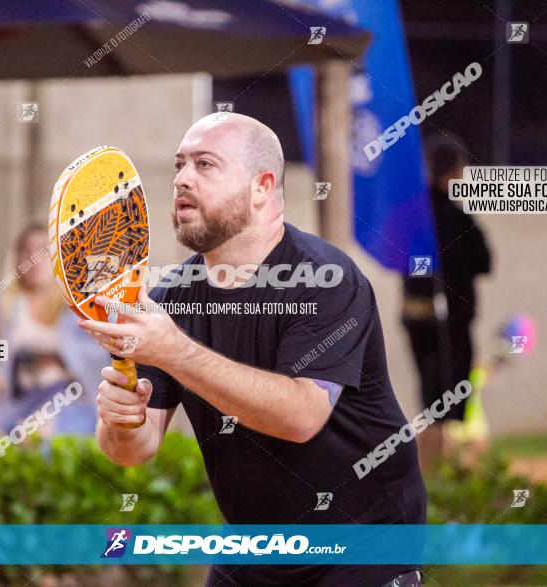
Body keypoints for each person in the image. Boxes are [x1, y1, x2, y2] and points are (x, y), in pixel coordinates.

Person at [79, 114, 426, 586]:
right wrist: (121, 420)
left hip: (362, 543)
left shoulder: (328, 280)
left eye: (205, 165)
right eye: (180, 165)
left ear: (262, 187)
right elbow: (132, 451)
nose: (182, 178)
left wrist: (175, 352)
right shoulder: (169, 300)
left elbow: (302, 416)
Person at [0, 223, 107, 456]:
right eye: (26, 251)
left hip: (69, 397)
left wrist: (59, 359)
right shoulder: (8, 306)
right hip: (20, 398)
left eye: (42, 251)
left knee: (33, 439)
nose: (33, 259)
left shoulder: (76, 305)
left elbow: (100, 358)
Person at [402, 134, 492, 471]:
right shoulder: (455, 218)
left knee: (430, 396)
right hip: (450, 321)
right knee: (448, 398)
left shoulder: (412, 215)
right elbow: (484, 261)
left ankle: (432, 470)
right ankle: (439, 470)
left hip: (416, 317)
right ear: (453, 171)